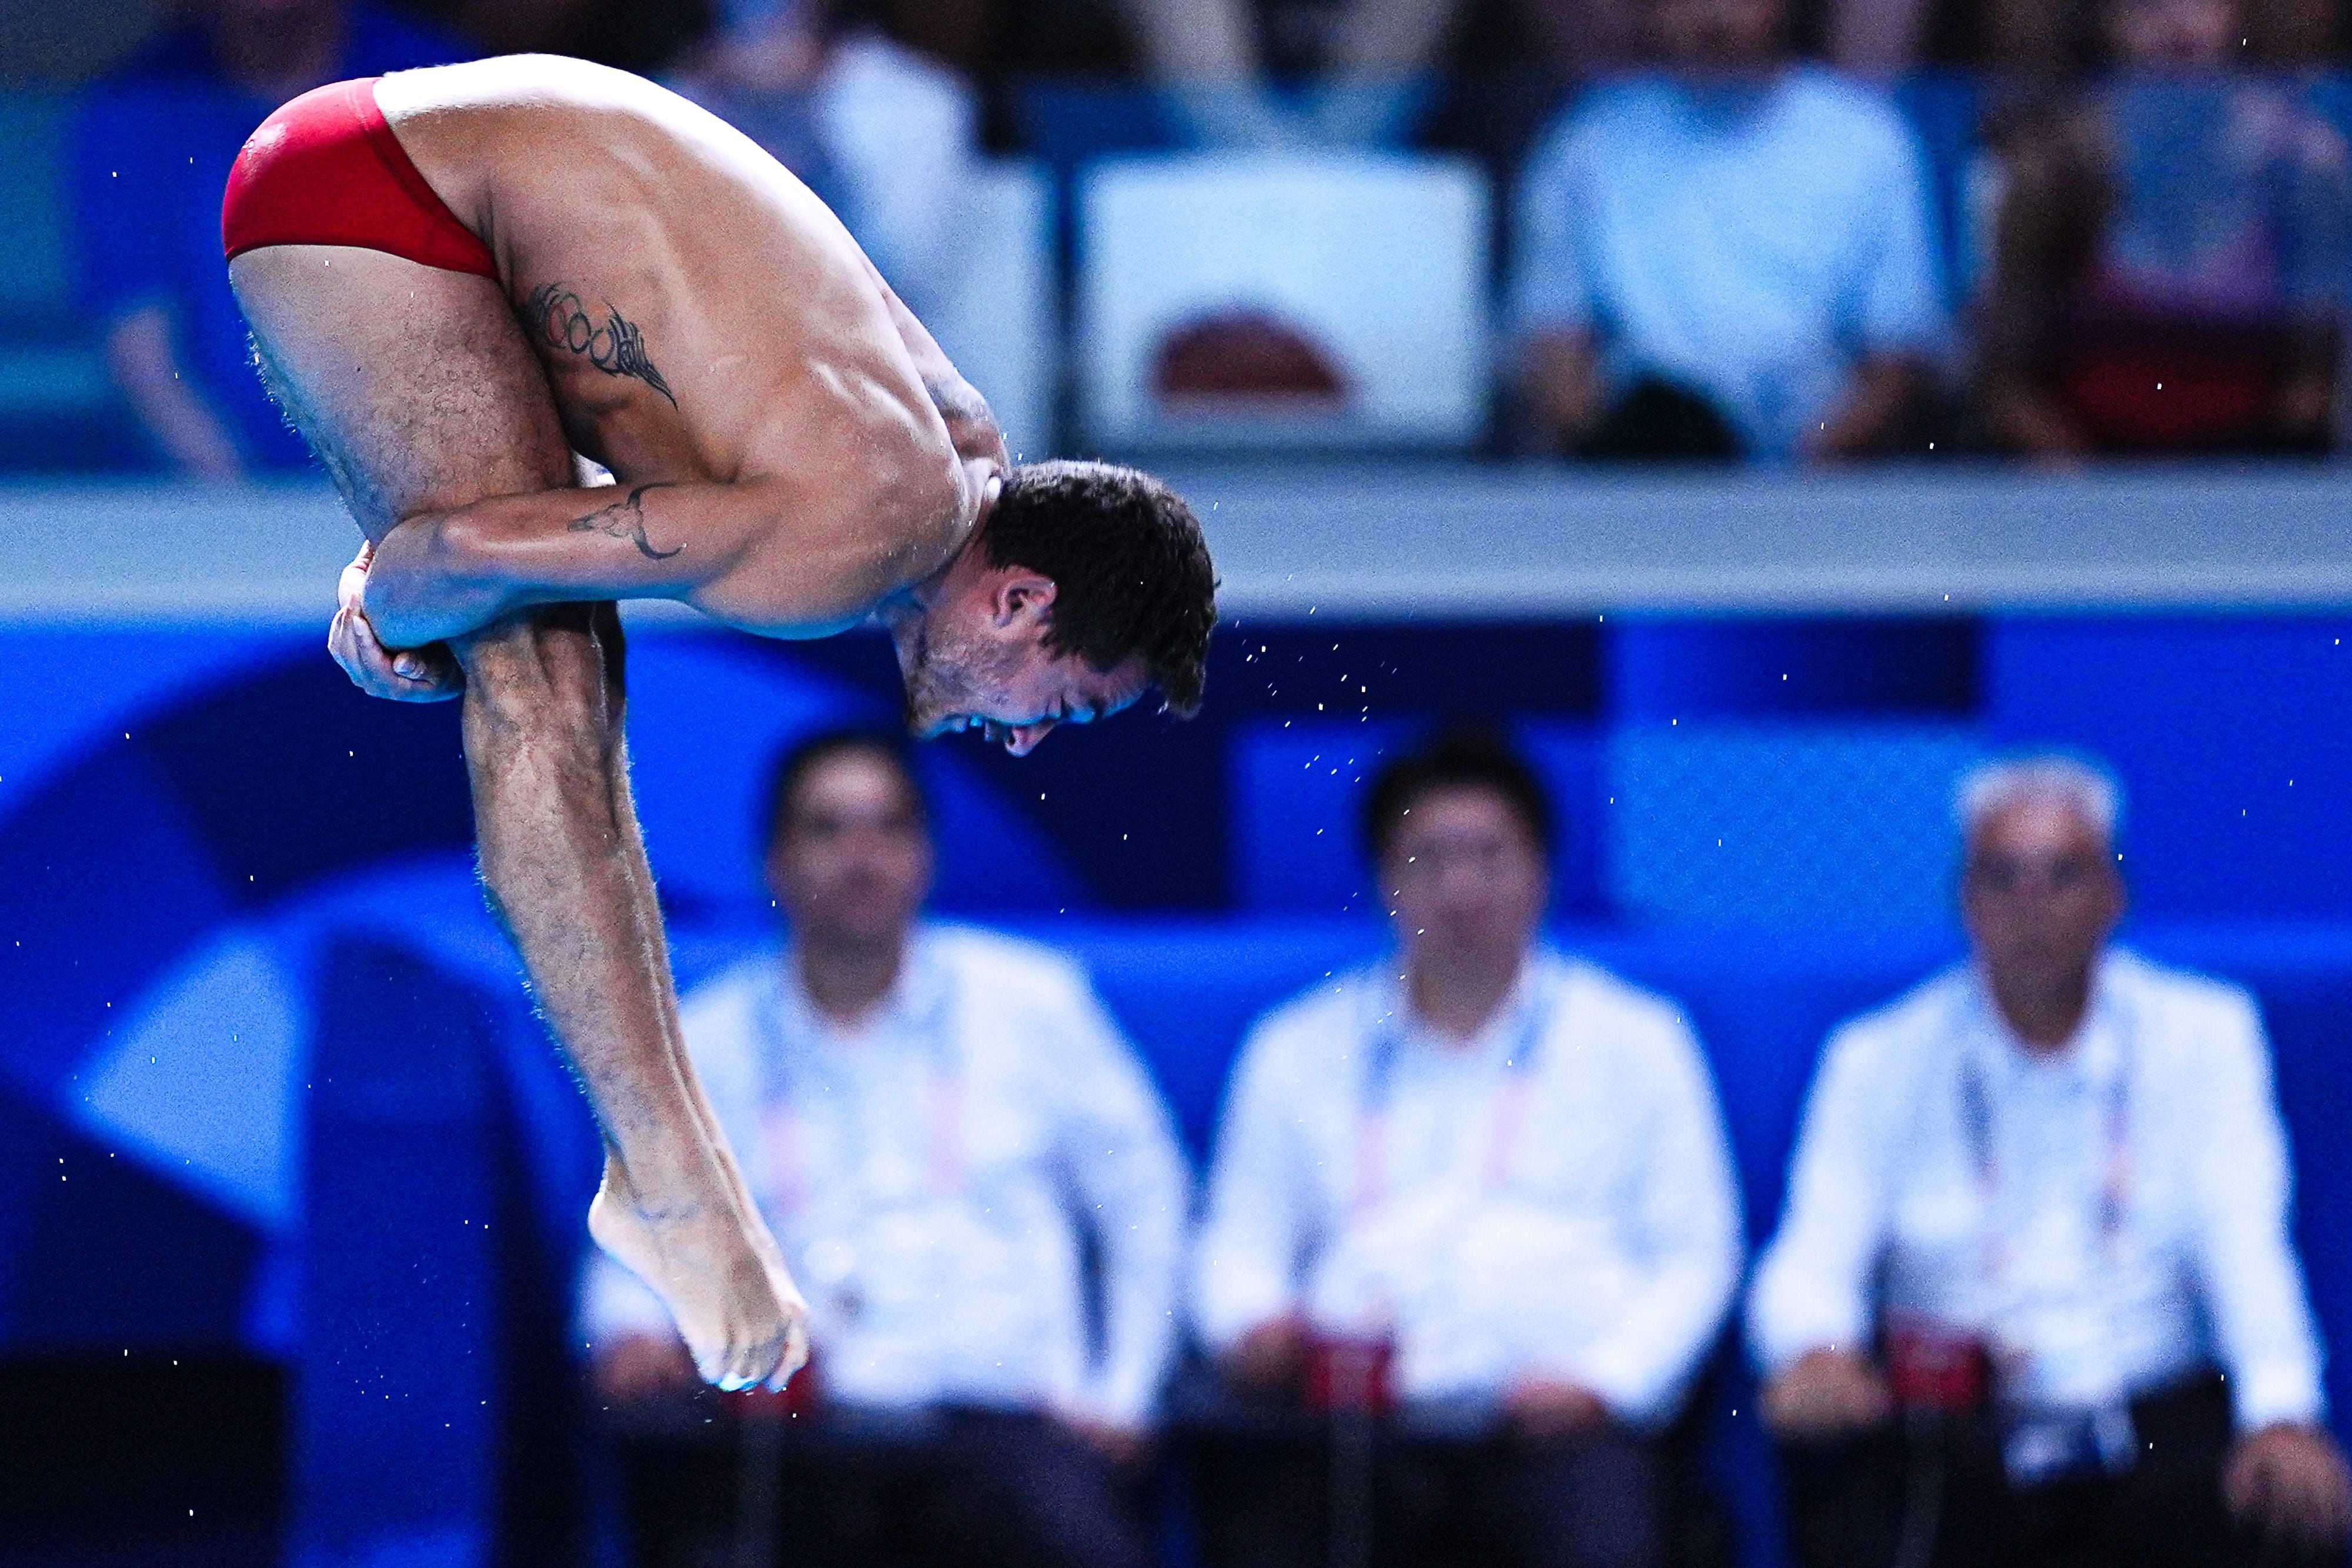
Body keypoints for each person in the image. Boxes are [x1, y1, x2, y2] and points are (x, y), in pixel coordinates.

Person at [221, 54, 1218, 1392]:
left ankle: (677, 1169)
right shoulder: (853, 543)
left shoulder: (959, 431)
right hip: (371, 197)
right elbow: (458, 548)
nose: (1031, 740)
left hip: (451, 163)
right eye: (1071, 705)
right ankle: (673, 1188)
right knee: (543, 677)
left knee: (530, 613)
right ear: (1021, 600)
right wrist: (386, 606)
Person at [583, 729, 1187, 1567]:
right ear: (775, 864)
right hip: (797, 1434)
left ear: (926, 857)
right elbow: (637, 1233)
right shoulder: (704, 1038)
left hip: (1006, 1426)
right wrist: (630, 1330)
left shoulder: (1031, 1003)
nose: (860, 857)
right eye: (827, 830)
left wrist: (1123, 1391)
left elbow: (1145, 1199)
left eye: (888, 827)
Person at [1749, 754, 2352, 1568]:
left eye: (2062, 873)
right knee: (1861, 1486)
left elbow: (2245, 1240)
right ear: (1965, 900)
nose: (2031, 905)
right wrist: (1815, 1346)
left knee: (2282, 1499)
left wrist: (2281, 1410)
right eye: (2003, 876)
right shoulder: (1880, 1055)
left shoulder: (2205, 1033)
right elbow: (1814, 1249)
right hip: (1960, 1418)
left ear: (2115, 893)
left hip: (2150, 1408)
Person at [1189, 730, 1743, 1568]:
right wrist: (1253, 1325)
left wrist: (1610, 1382)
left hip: (1563, 1424)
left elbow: (1697, 1254)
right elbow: (1238, 1239)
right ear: (1383, 879)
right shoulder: (1295, 1045)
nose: (1461, 889)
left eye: (1490, 855)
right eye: (1427, 859)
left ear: (1542, 871)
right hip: (1359, 1425)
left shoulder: (1637, 1039)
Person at [1511, 0, 1947, 462]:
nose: (1713, 17)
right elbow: (1553, 346)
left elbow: (1897, 361)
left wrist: (1785, 486)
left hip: (1813, 487)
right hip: (1636, 477)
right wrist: (1615, 467)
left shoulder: (1870, 141)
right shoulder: (1586, 139)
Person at [72, 0, 470, 479]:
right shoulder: (134, 112)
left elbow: (478, 337)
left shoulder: (442, 87)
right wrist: (242, 511)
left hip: (421, 495)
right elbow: (145, 362)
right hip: (215, 507)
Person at [1973, 0, 2352, 459]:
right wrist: (2093, 496)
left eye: (2201, 4)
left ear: (2237, 15)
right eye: (2148, 7)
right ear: (2108, 25)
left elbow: (2314, 383)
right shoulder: (2052, 174)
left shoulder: (2304, 165)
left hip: (2252, 475)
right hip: (2087, 479)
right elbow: (2009, 382)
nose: (2178, 28)